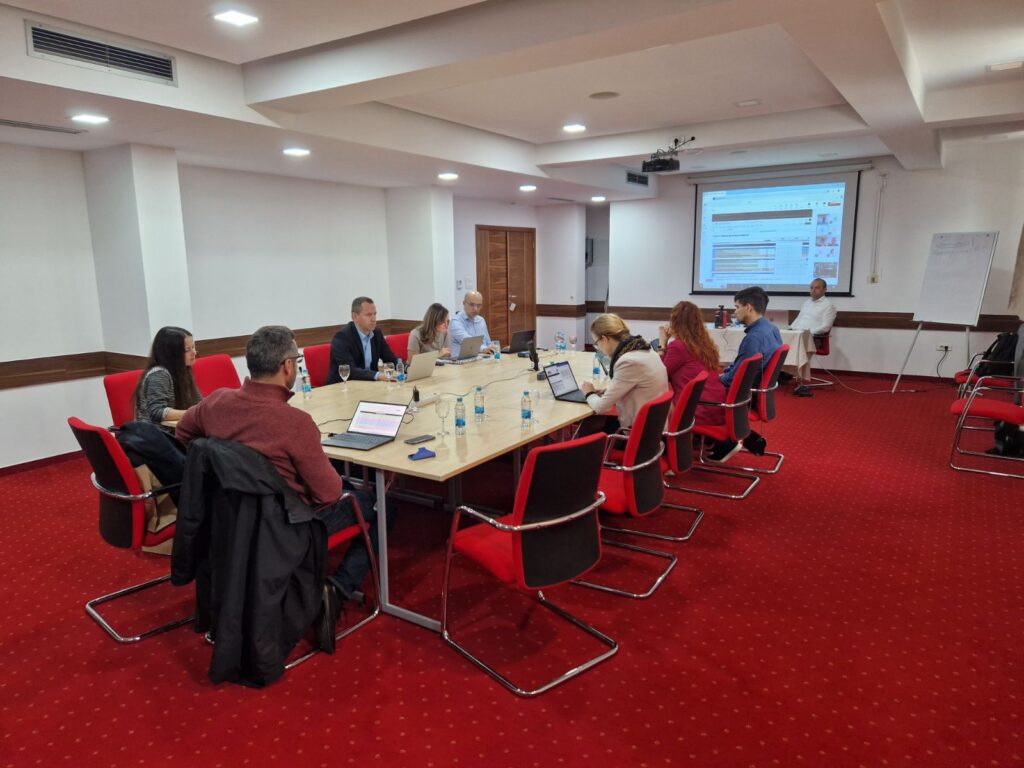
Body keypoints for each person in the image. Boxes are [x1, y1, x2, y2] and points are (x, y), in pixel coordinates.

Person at [176, 325, 378, 637]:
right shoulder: (295, 423)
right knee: (378, 505)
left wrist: (227, 471)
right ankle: (337, 589)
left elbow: (184, 434)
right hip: (287, 526)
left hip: (232, 520)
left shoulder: (216, 402)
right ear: (287, 366)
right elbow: (329, 493)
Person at [712, 287, 782, 461]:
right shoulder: (772, 329)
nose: (735, 312)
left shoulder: (754, 338)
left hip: (743, 395)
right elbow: (741, 368)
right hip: (754, 391)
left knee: (692, 394)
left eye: (737, 307)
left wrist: (717, 380)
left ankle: (724, 441)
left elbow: (736, 378)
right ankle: (738, 434)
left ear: (748, 307)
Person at [579, 314, 669, 434]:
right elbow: (638, 385)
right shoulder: (645, 350)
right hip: (654, 427)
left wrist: (588, 392)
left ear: (605, 339)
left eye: (597, 343)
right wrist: (609, 391)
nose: (598, 348)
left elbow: (601, 407)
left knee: (589, 426)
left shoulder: (628, 361)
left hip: (639, 434)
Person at [657, 301, 726, 426]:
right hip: (714, 406)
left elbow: (661, 374)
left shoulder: (678, 346)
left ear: (676, 323)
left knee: (654, 400)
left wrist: (662, 343)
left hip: (695, 410)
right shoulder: (703, 343)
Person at [133, 326, 202, 428]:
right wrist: (194, 412)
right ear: (172, 354)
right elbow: (157, 412)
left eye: (193, 347)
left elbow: (198, 401)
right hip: (156, 434)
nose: (194, 352)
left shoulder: (183, 370)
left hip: (176, 430)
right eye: (187, 350)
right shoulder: (159, 374)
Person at [326, 296, 397, 383]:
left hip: (369, 385)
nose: (373, 319)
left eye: (375, 314)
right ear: (355, 317)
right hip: (343, 386)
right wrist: (378, 375)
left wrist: (406, 368)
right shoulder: (342, 337)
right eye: (368, 315)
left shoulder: (376, 333)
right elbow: (350, 371)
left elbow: (391, 359)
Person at [789, 278, 837, 396]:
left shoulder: (828, 306)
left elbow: (825, 327)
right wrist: (790, 330)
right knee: (781, 342)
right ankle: (784, 374)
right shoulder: (807, 303)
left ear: (825, 290)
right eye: (811, 288)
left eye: (817, 288)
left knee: (797, 345)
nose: (813, 290)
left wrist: (806, 333)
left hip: (814, 338)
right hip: (798, 335)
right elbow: (798, 320)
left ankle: (798, 378)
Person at [448, 291, 494, 358]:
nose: (475, 309)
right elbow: (468, 343)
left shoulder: (481, 320)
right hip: (462, 361)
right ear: (464, 303)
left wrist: (493, 348)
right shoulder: (456, 321)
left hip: (482, 359)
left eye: (479, 305)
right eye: (472, 305)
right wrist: (484, 349)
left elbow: (488, 343)